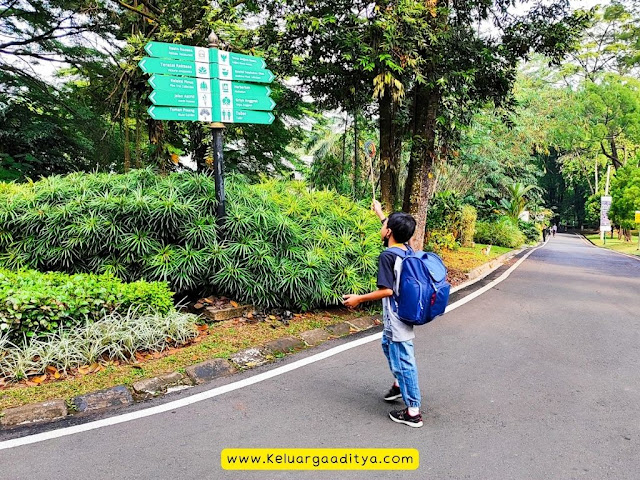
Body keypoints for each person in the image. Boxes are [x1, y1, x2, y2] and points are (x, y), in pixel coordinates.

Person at [343, 200, 423, 428]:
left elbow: (387, 290)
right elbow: (393, 229)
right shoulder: (406, 248)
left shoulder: (387, 256)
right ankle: (399, 385)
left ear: (388, 232)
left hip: (397, 317)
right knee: (387, 346)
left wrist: (358, 298)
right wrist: (380, 212)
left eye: (384, 224)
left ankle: (413, 412)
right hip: (400, 314)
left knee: (405, 361)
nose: (382, 226)